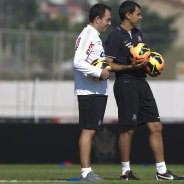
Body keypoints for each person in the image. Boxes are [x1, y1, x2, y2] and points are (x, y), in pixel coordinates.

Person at [105, 1, 184, 180]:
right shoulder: (115, 36)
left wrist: (150, 68)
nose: (140, 17)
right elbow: (107, 65)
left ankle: (162, 172)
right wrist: (129, 67)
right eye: (138, 14)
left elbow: (142, 59)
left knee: (156, 126)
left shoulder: (138, 34)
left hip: (142, 83)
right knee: (128, 129)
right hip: (125, 83)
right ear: (128, 15)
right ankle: (125, 172)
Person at [73, 3, 112, 182]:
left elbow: (93, 60)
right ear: (97, 19)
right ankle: (86, 173)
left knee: (91, 130)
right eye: (107, 19)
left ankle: (87, 172)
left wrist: (105, 62)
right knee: (88, 130)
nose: (109, 23)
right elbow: (78, 62)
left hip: (96, 91)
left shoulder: (94, 36)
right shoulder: (88, 34)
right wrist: (99, 72)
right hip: (89, 91)